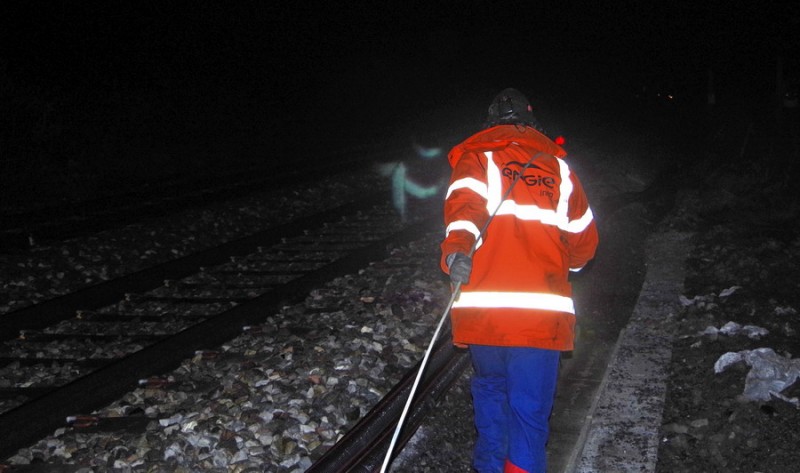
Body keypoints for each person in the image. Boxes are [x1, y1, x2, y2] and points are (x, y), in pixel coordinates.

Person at [440, 88, 598, 473]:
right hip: (538, 317)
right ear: (531, 121)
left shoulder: (476, 159)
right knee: (528, 411)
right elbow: (584, 246)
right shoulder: (560, 171)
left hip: (485, 316)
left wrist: (457, 254)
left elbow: (463, 214)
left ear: (490, 121)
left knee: (491, 395)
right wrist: (559, 263)